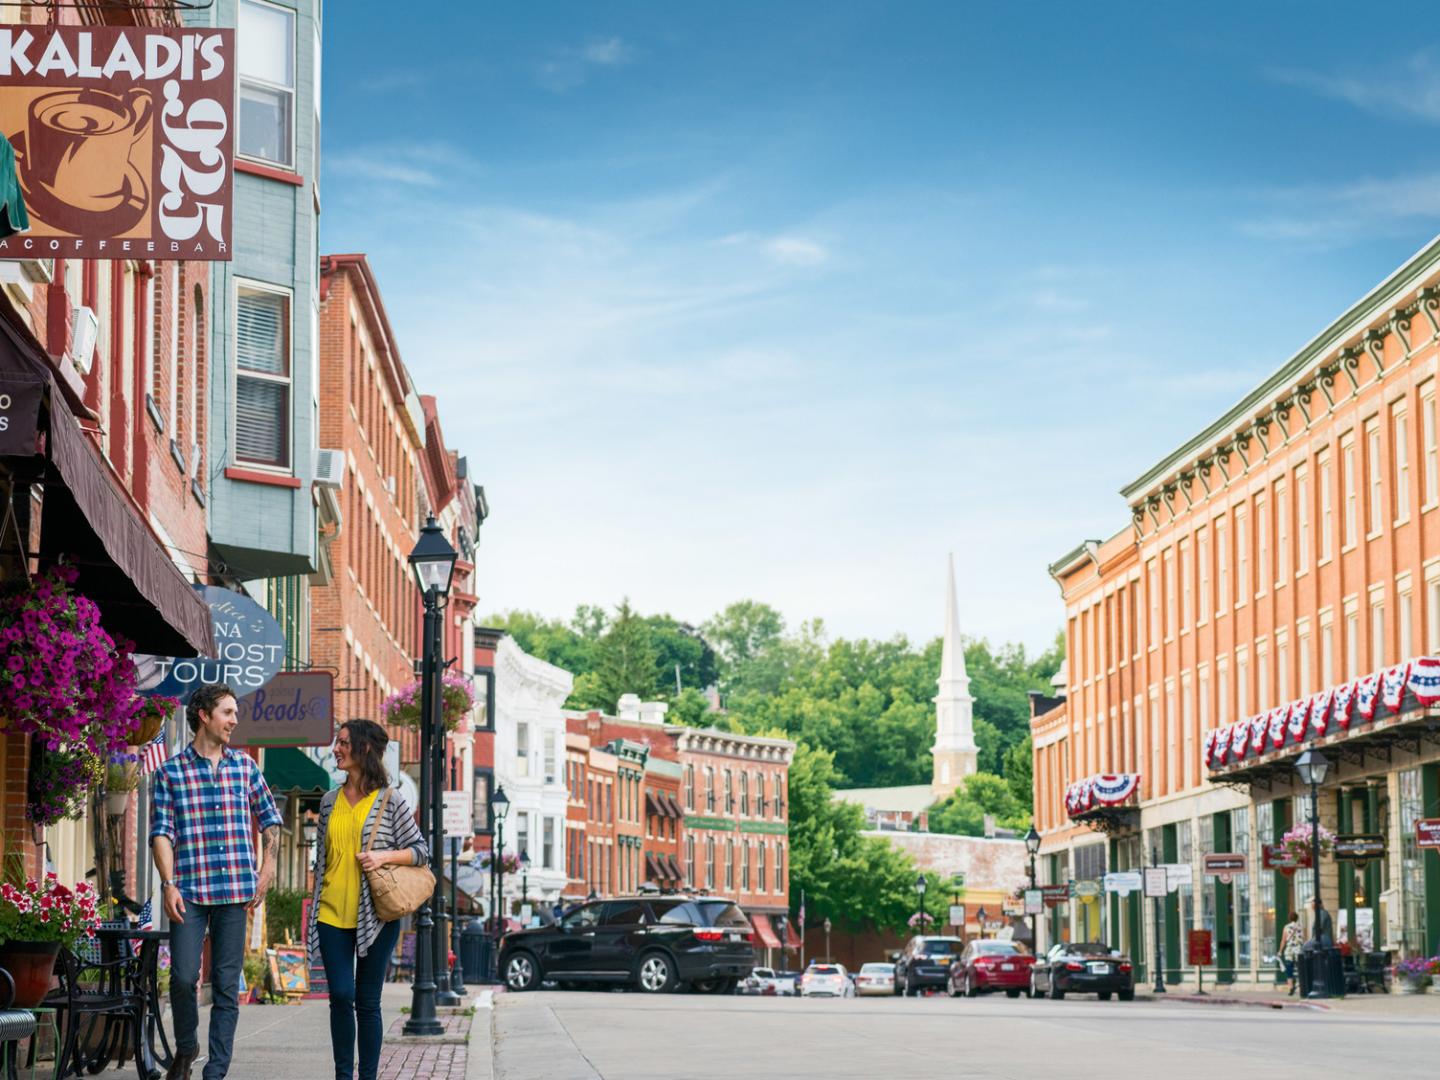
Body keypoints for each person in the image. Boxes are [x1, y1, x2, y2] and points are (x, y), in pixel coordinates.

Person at [151, 684, 284, 1080]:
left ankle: (217, 1069)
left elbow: (271, 819)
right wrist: (167, 883)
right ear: (204, 715)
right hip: (188, 891)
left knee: (226, 985)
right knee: (183, 977)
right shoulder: (170, 772)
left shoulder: (245, 767)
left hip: (234, 893)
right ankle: (187, 1045)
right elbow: (161, 832)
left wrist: (268, 869)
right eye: (227, 712)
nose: (235, 720)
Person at [308, 719, 428, 1080]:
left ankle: (368, 1077)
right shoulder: (328, 802)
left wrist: (384, 857)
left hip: (376, 916)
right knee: (341, 995)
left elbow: (421, 851)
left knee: (367, 1001)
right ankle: (344, 1074)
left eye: (343, 742)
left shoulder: (391, 802)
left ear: (363, 748)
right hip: (331, 913)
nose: (336, 749)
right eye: (336, 742)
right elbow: (323, 860)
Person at [1279, 911, 1303, 995]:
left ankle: (1291, 987)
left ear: (1289, 918)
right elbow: (1304, 938)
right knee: (1300, 968)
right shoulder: (1300, 927)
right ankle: (1300, 987)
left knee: (1289, 969)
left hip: (1289, 950)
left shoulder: (1286, 927)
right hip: (1298, 949)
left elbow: (1283, 940)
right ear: (1297, 918)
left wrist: (1280, 951)